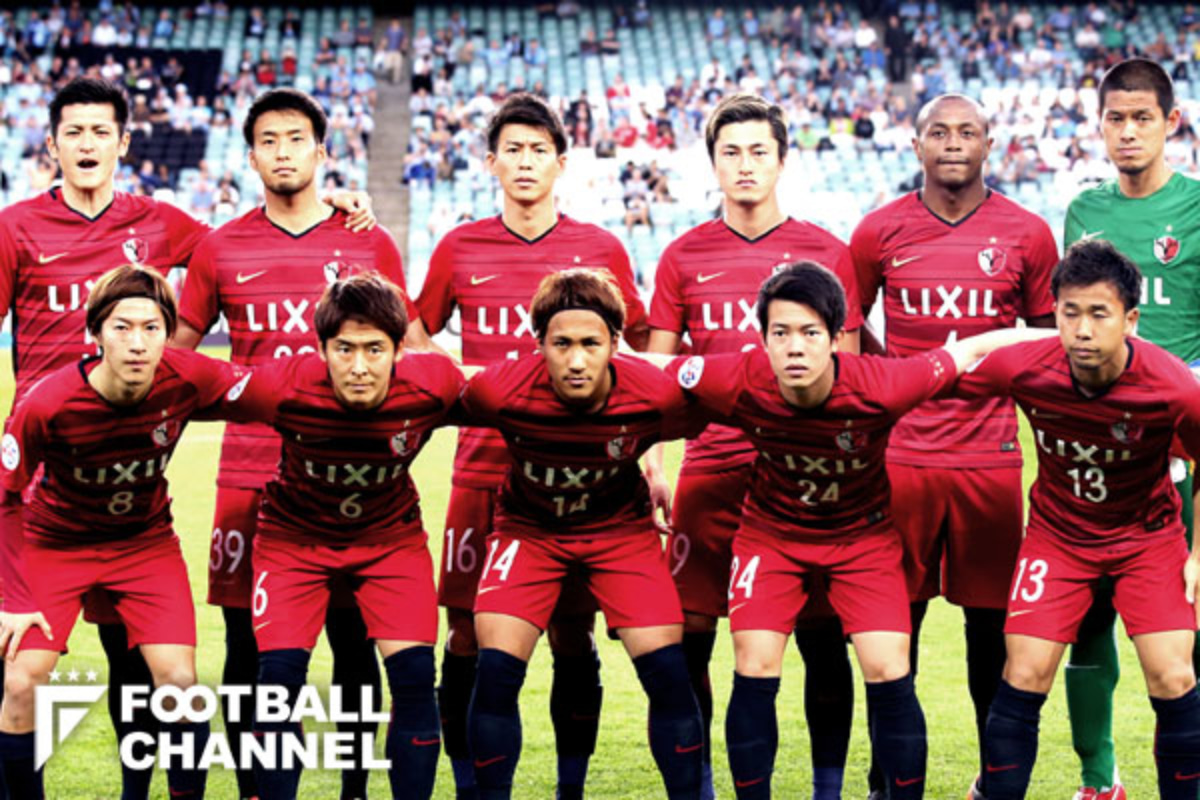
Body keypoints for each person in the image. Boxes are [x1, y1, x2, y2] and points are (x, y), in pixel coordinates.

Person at [665, 261, 1053, 799]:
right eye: (781, 333)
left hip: (862, 542)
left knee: (889, 666)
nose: (795, 348)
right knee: (754, 664)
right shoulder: (736, 376)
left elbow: (972, 349)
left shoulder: (883, 384)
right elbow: (655, 368)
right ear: (763, 340)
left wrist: (1068, 335)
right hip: (771, 538)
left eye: (810, 333)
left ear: (835, 339)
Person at [173, 87, 408, 800]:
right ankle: (256, 789)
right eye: (268, 141)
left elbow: (402, 357)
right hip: (249, 473)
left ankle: (355, 790)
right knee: (247, 645)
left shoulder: (367, 241)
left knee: (353, 643)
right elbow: (180, 358)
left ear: (321, 151)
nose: (283, 152)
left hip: (351, 478)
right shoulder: (220, 247)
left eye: (296, 138)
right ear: (250, 157)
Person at [412, 93, 648, 800]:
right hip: (481, 472)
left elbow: (637, 357)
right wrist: (464, 386)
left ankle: (570, 788)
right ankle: (470, 787)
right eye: (511, 150)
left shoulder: (601, 250)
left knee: (572, 635)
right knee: (465, 636)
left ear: (560, 163)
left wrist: (651, 462)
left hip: (580, 482)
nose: (524, 162)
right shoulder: (459, 247)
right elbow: (416, 334)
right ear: (491, 162)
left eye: (538, 150)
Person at [644, 93, 862, 800]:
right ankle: (699, 785)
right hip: (711, 473)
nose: (745, 165)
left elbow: (853, 374)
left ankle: (827, 789)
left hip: (805, 480)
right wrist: (652, 465)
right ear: (712, 163)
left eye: (758, 151)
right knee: (691, 640)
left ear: (782, 160)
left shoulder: (827, 252)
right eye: (731, 152)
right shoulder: (683, 255)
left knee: (821, 641)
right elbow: (654, 378)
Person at [849, 93, 1060, 796]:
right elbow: (847, 332)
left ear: (989, 144)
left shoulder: (1028, 233)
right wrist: (892, 374)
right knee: (893, 632)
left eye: (967, 131)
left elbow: (1045, 348)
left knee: (989, 636)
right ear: (916, 145)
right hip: (902, 459)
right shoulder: (878, 230)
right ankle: (887, 780)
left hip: (990, 461)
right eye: (938, 132)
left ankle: (993, 780)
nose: (952, 142)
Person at [0, 265, 247, 798]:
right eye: (122, 327)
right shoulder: (47, 402)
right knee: (20, 683)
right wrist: (14, 600)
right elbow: (5, 496)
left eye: (151, 328)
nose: (137, 343)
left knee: (181, 686)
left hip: (144, 545)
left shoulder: (188, 377)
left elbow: (270, 390)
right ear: (95, 332)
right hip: (55, 544)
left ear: (168, 332)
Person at [966, 240, 1200, 800]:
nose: (1083, 330)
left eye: (1099, 314)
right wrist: (993, 341)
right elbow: (942, 377)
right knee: (1023, 673)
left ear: (1131, 320)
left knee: (1173, 676)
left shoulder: (1173, 387)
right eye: (1069, 314)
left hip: (1147, 540)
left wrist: (1199, 555)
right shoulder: (1027, 366)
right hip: (1058, 539)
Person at [460, 268, 704, 800]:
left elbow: (717, 404)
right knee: (496, 672)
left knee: (668, 673)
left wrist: (656, 470)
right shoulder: (499, 390)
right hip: (529, 531)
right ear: (539, 345)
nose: (575, 360)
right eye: (561, 344)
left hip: (620, 532)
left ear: (615, 343)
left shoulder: (657, 394)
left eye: (590, 344)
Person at [217, 274, 462, 799]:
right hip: (292, 542)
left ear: (400, 350)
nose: (359, 366)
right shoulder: (280, 385)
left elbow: (507, 397)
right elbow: (189, 388)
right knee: (277, 685)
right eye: (344, 349)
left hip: (390, 540)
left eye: (375, 349)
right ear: (321, 349)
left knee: (415, 678)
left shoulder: (434, 383)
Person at [1060, 57, 1200, 800]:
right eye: (1116, 118)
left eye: (1143, 117)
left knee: (1184, 630)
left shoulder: (1197, 208)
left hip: (1181, 453)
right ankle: (1098, 780)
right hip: (1096, 456)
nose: (1128, 131)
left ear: (1170, 123)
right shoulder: (1084, 211)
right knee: (1087, 625)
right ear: (1100, 125)